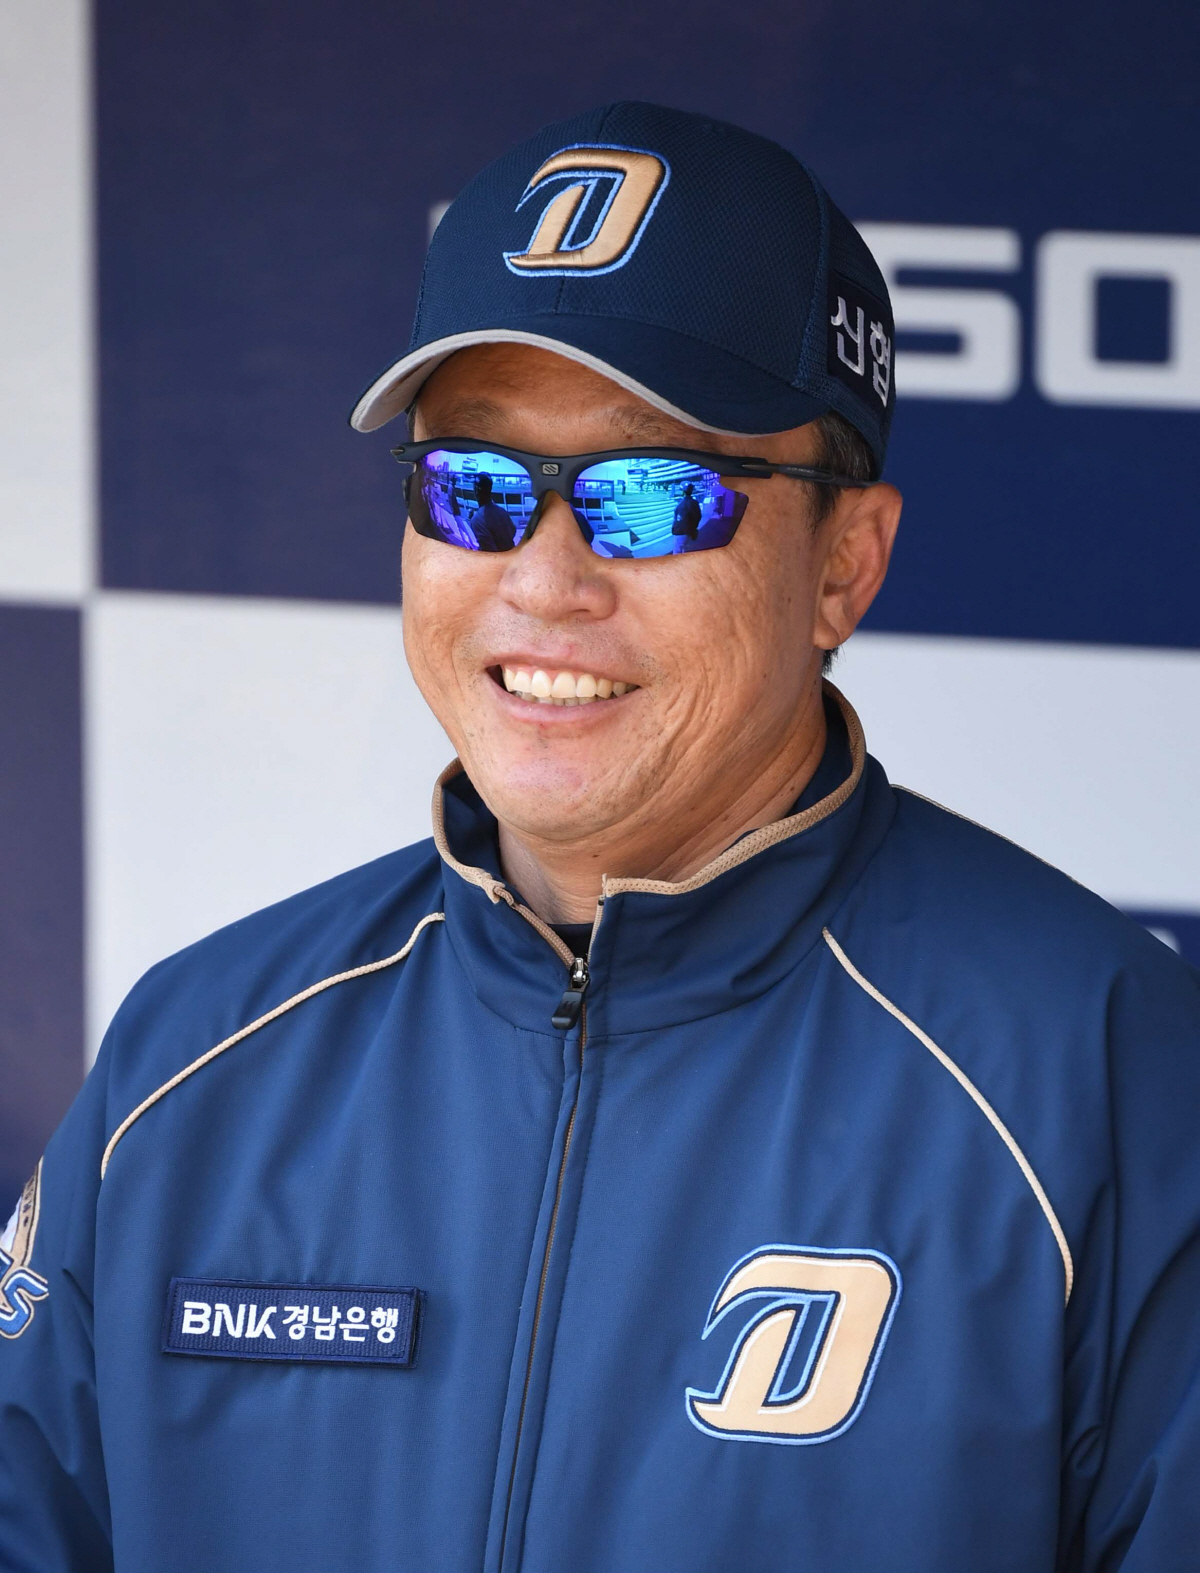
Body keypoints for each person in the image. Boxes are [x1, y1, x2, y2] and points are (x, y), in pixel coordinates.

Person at [2, 102, 1198, 1573]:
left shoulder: (1110, 1076)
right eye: (475, 488)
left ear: (846, 563)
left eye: (651, 498)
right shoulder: (193, 1060)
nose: (544, 580)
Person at [466, 470, 517, 551]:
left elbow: (488, 551)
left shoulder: (477, 520)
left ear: (476, 490)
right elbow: (513, 531)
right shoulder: (502, 511)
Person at [671, 481, 702, 552]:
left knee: (678, 552)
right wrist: (693, 529)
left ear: (683, 492)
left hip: (680, 532)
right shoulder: (694, 502)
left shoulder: (682, 504)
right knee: (685, 550)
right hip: (689, 532)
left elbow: (678, 520)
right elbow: (698, 516)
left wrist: (674, 530)